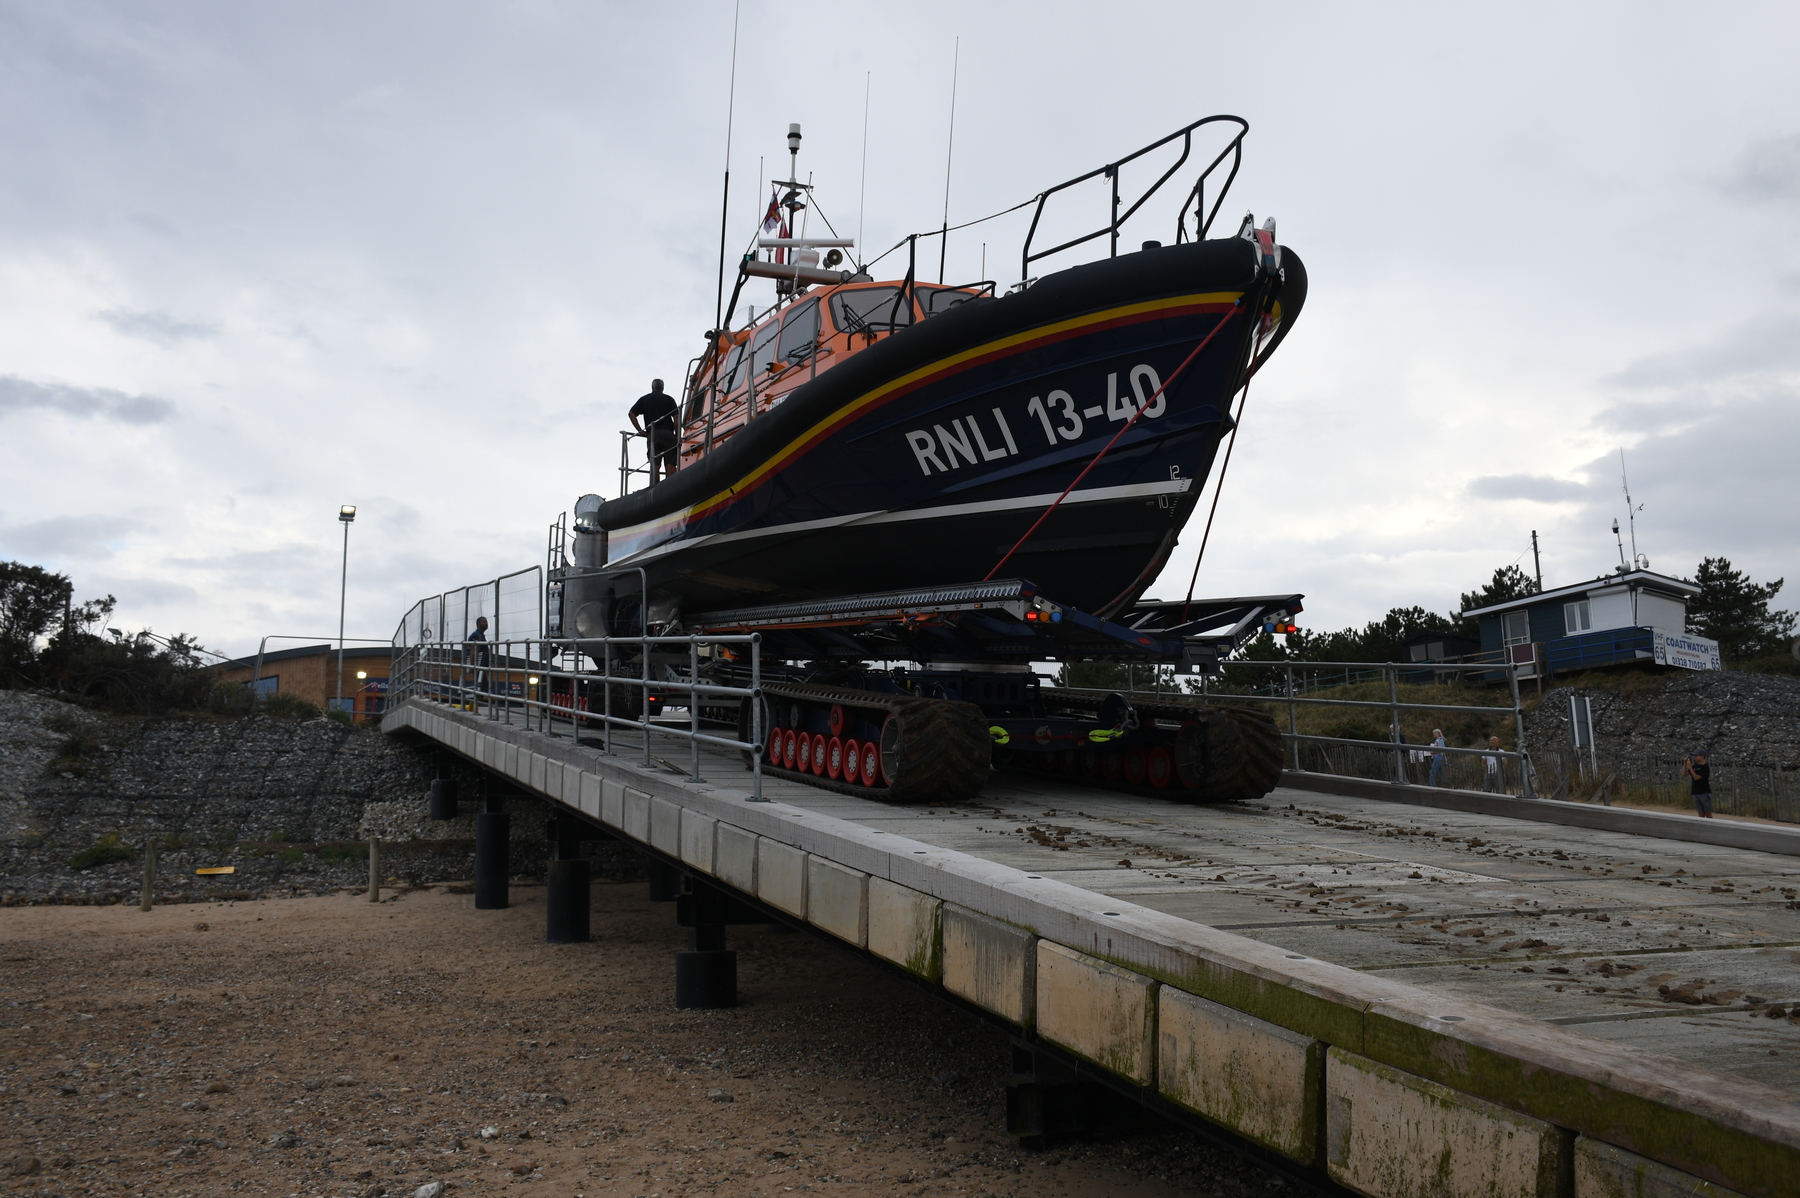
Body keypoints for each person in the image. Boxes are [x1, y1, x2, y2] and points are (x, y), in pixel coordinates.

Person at [629, 378, 680, 484]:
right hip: (667, 433)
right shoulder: (669, 399)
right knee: (670, 464)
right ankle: (670, 487)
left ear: (652, 387)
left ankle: (654, 490)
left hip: (652, 435)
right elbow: (676, 418)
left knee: (655, 465)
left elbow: (631, 413)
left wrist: (640, 431)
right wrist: (677, 435)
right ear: (663, 388)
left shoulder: (644, 399)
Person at [465, 616, 491, 705]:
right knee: (482, 687)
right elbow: (472, 650)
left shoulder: (480, 635)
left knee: (484, 687)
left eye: (486, 621)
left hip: (482, 665)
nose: (486, 623)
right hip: (479, 665)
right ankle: (475, 703)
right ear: (479, 624)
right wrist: (472, 666)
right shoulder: (476, 635)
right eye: (484, 622)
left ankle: (476, 702)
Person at [1681, 750, 1713, 818]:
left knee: (1708, 813)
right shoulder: (1695, 766)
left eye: (1696, 756)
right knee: (1700, 813)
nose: (1695, 757)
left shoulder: (1705, 767)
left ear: (1702, 756)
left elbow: (1696, 777)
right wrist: (1685, 763)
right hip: (1695, 791)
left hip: (1704, 792)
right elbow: (1684, 774)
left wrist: (1690, 768)